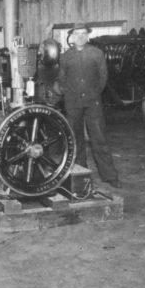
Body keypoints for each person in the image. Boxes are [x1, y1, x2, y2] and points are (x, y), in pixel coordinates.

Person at [58, 21, 121, 188]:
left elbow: (103, 77)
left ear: (88, 36)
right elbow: (62, 80)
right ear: (71, 37)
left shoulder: (97, 53)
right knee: (75, 139)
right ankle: (81, 174)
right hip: (73, 103)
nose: (80, 37)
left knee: (99, 138)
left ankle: (109, 176)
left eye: (84, 34)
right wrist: (70, 95)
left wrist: (94, 94)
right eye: (77, 34)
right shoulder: (65, 56)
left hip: (93, 102)